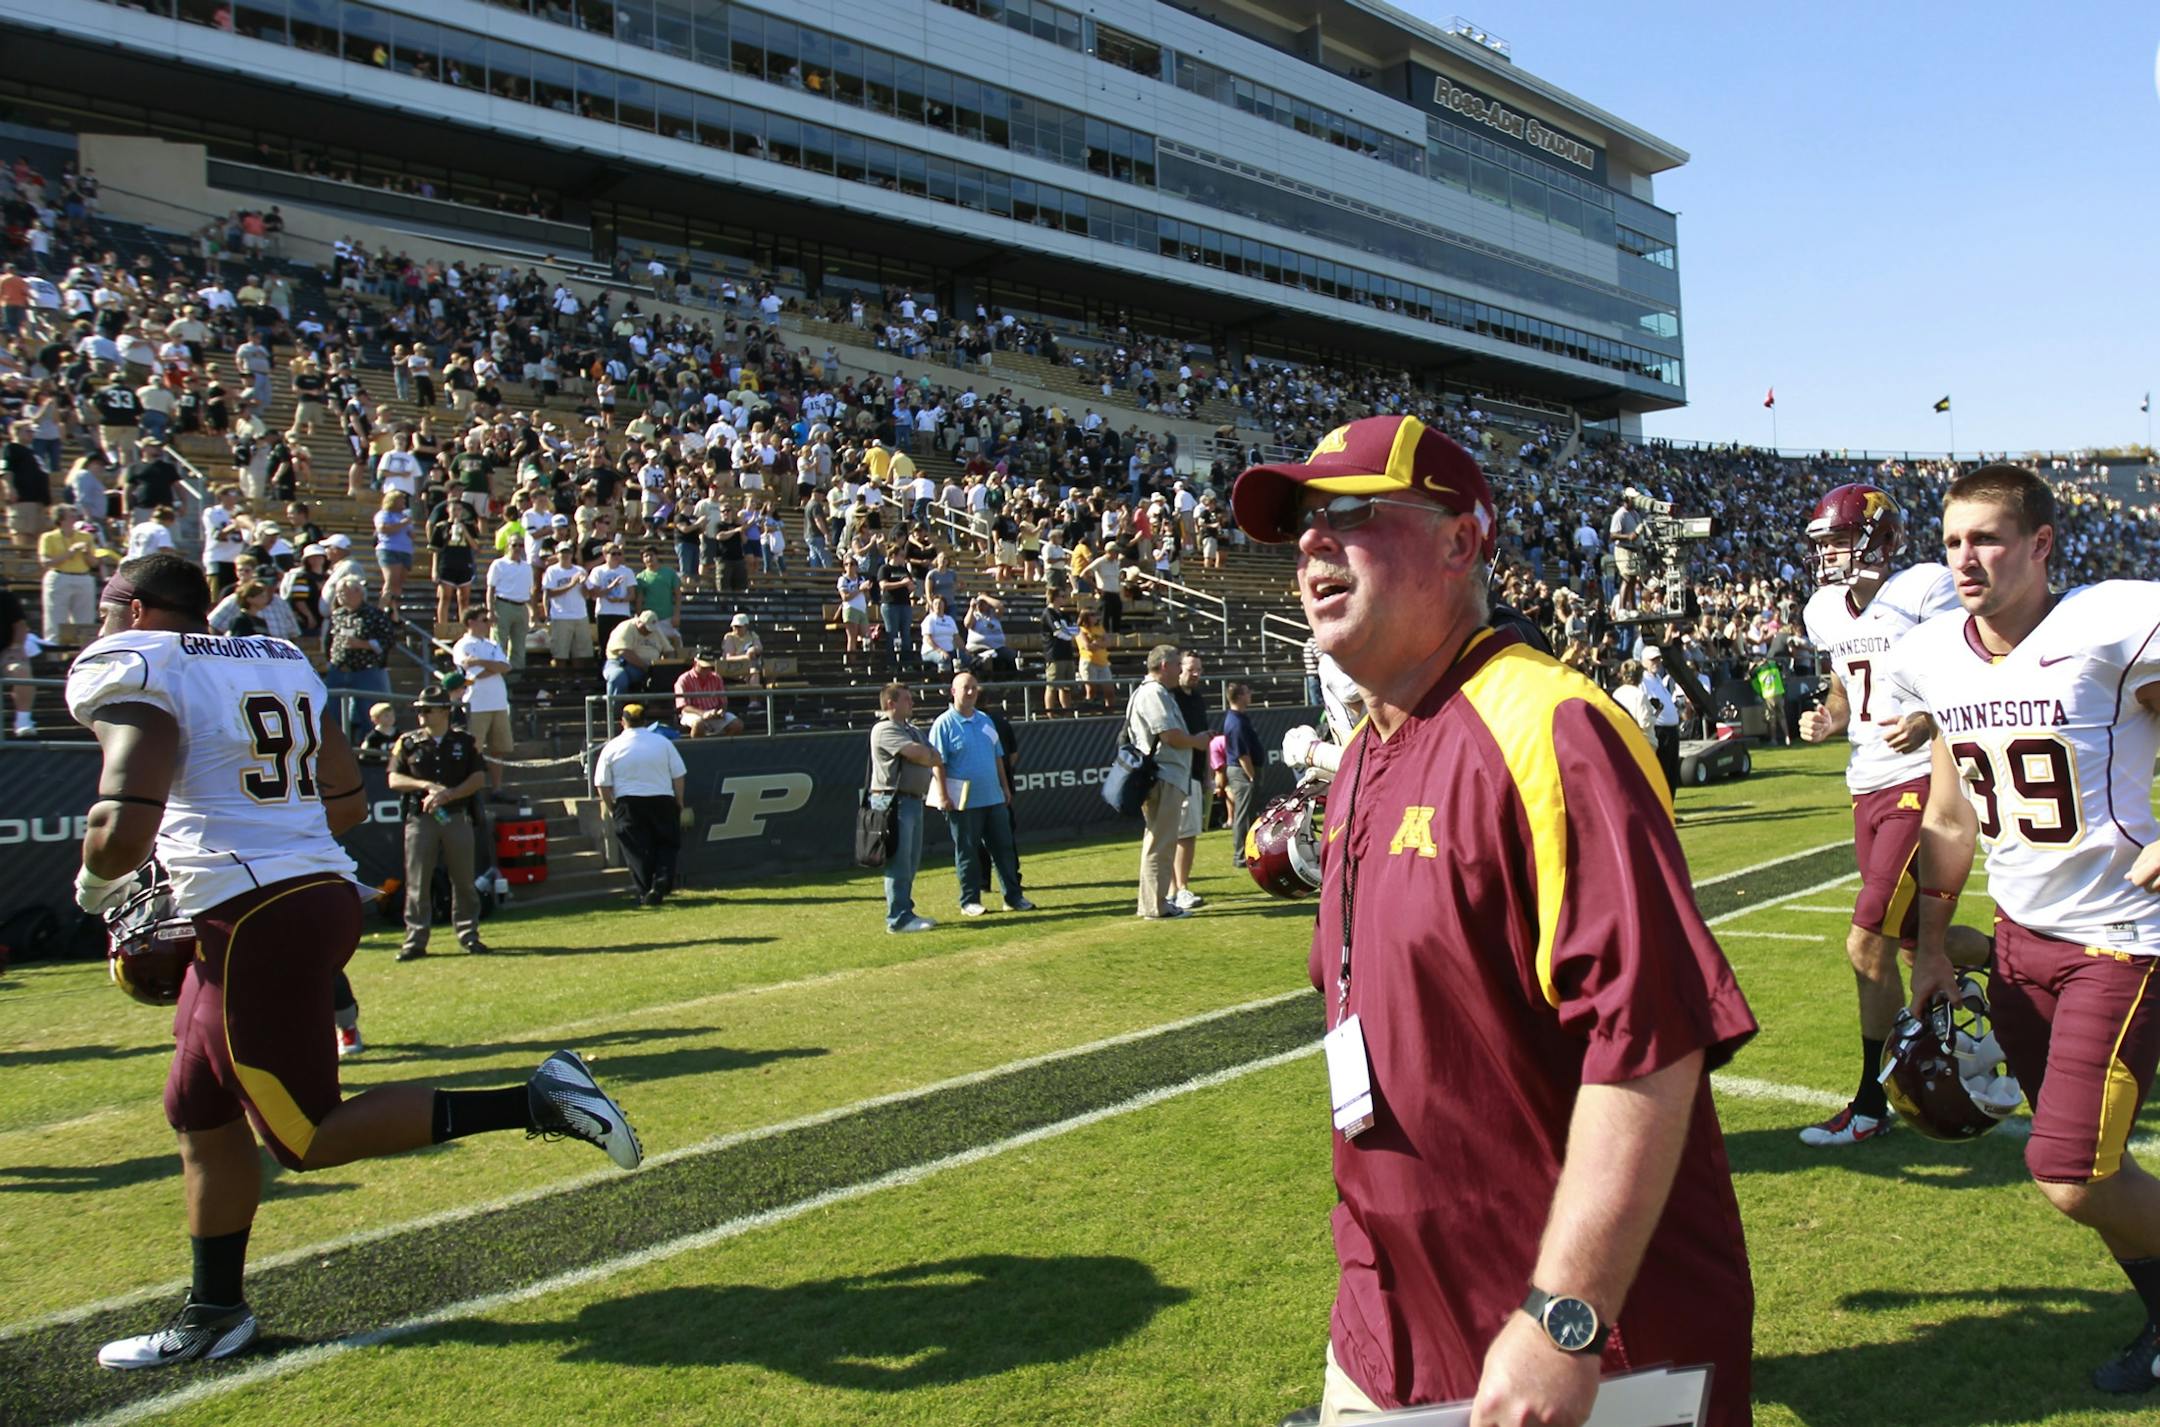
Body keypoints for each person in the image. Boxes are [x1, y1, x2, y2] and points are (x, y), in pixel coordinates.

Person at [1229, 414, 1756, 1427]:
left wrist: (1566, 1314)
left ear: (1462, 539)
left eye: (1348, 512)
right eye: (1302, 521)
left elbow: (1650, 1042)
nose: (1310, 542)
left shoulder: (1551, 727)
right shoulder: (1364, 760)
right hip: (1389, 1324)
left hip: (1578, 1348)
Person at [68, 553, 639, 1372]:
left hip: (255, 913)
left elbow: (124, 813)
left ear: (138, 610)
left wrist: (96, 885)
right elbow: (342, 797)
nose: (100, 626)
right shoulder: (275, 654)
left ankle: (540, 1099)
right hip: (293, 896)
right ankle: (215, 1310)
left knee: (305, 1134)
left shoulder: (138, 659)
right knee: (200, 1112)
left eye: (109, 609)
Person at [1900, 465, 2160, 1396]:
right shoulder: (1934, 652)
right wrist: (1932, 947)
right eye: (1954, 541)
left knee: (2069, 1172)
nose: (1965, 558)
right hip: (2017, 942)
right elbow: (1947, 815)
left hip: (2116, 938)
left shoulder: (2110, 625)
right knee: (2093, 1165)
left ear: (2042, 544)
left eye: (1988, 538)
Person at [1794, 483, 1959, 1148]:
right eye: (1822, 542)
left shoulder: (1924, 588)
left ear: (1880, 538)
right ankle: (2032, 967)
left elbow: (1967, 665)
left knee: (1866, 943)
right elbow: (1843, 685)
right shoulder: (1824, 610)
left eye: (1837, 538)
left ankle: (1872, 1100)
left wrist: (1929, 713)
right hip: (1865, 783)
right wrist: (1829, 717)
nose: (1828, 553)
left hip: (1919, 781)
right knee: (1919, 942)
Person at [385, 687, 490, 961]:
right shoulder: (408, 742)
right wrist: (425, 785)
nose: (421, 715)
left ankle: (469, 935)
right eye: (419, 710)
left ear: (445, 711)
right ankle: (415, 940)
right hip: (420, 819)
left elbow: (478, 777)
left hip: (455, 815)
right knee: (418, 882)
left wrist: (450, 794)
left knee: (464, 880)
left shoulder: (465, 742)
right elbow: (394, 779)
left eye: (427, 710)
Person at [927, 671, 1032, 918]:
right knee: (967, 851)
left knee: (1004, 849)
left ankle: (1013, 897)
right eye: (966, 688)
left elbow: (998, 758)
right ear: (954, 692)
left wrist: (1005, 788)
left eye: (974, 687)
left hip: (994, 798)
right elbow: (936, 763)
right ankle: (969, 901)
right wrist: (943, 796)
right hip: (963, 803)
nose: (972, 692)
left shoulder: (986, 720)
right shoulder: (943, 724)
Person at [1126, 644, 1211, 920]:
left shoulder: (1158, 692)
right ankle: (1156, 906)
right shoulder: (1153, 693)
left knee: (1161, 842)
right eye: (1177, 664)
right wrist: (1197, 742)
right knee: (1161, 844)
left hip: (1167, 775)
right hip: (1163, 775)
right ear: (1164, 665)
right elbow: (1170, 735)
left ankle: (1154, 902)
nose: (1179, 670)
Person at [592, 702, 688, 908]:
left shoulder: (612, 746)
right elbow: (679, 774)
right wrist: (679, 800)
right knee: (667, 844)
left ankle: (646, 891)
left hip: (629, 803)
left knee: (637, 850)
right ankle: (662, 880)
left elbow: (601, 783)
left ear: (622, 722)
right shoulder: (662, 743)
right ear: (645, 720)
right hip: (662, 799)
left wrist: (612, 808)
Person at [871, 681, 946, 934]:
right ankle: (898, 919)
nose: (912, 703)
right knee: (899, 862)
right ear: (891, 703)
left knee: (911, 861)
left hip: (913, 800)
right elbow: (919, 754)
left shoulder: (911, 729)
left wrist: (927, 754)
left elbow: (935, 756)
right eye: (906, 699)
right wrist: (926, 754)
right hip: (894, 802)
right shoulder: (884, 729)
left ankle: (906, 911)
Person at [452, 608, 516, 802]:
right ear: (471, 622)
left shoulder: (492, 644)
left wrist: (480, 661)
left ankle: (497, 789)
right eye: (484, 620)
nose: (488, 623)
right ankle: (470, 791)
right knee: (474, 749)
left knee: (499, 748)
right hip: (476, 703)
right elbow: (475, 673)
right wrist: (492, 666)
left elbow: (506, 667)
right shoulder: (463, 644)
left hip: (498, 702)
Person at [1169, 650, 1212, 909]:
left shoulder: (1197, 698)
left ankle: (1177, 888)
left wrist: (1206, 774)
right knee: (1179, 834)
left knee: (1189, 833)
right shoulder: (1169, 697)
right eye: (1190, 669)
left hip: (1194, 774)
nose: (1195, 674)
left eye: (1198, 669)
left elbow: (1203, 739)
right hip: (1175, 774)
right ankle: (1178, 888)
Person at [1221, 682, 1262, 868]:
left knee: (1249, 813)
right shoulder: (1236, 722)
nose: (1250, 694)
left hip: (1245, 769)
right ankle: (1240, 856)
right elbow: (1242, 754)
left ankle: (1250, 851)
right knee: (1243, 814)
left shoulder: (1240, 718)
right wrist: (1251, 775)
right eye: (1247, 691)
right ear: (1239, 697)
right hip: (1242, 771)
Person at [485, 532, 536, 670]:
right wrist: (490, 611)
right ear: (508, 546)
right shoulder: (498, 564)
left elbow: (530, 591)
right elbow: (490, 589)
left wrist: (532, 611)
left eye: (520, 545)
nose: (518, 548)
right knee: (499, 643)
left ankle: (516, 677)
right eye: (514, 545)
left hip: (521, 607)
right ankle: (498, 673)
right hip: (503, 605)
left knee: (519, 645)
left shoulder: (527, 567)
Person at [1638, 644, 1684, 794]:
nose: (1656, 663)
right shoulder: (1643, 681)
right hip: (1659, 729)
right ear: (1644, 661)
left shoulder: (1657, 678)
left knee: (1671, 772)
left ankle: (1669, 810)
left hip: (1671, 729)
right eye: (1652, 660)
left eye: (1658, 659)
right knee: (1662, 770)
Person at [675, 647, 743, 736]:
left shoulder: (716, 678)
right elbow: (684, 707)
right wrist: (703, 713)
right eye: (703, 667)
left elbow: (723, 702)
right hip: (692, 714)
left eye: (709, 667)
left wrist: (721, 711)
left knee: (737, 724)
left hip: (714, 713)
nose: (707, 670)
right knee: (698, 724)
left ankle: (723, 747)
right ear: (695, 663)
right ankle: (698, 748)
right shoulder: (684, 679)